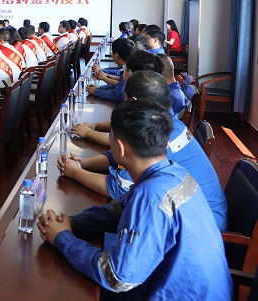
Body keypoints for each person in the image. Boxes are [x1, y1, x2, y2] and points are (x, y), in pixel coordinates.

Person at [39, 100, 231, 299]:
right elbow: (119, 209)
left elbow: (116, 277)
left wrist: (63, 239)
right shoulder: (172, 171)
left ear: (120, 149)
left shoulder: (151, 197)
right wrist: (73, 222)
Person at [64, 70, 228, 230]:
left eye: (124, 99)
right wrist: (84, 163)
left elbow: (118, 189)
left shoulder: (159, 134)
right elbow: (121, 155)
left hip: (201, 223)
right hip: (191, 212)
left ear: (134, 102)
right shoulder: (165, 122)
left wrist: (75, 172)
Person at [85, 38, 135, 103]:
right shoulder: (128, 66)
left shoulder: (128, 70)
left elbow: (117, 95)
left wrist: (96, 91)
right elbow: (118, 86)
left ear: (116, 55)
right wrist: (99, 88)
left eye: (112, 52)